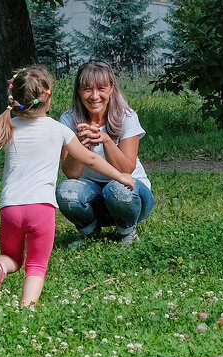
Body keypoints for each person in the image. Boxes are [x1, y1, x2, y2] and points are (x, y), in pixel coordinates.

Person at [0, 65, 136, 307]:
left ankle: (0, 267)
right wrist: (120, 176)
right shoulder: (59, 129)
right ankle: (26, 309)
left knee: (12, 258)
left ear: (15, 99)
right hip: (41, 208)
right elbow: (91, 158)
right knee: (36, 266)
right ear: (48, 96)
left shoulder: (5, 126)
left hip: (10, 208)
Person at [55, 61, 154, 246]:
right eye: (87, 89)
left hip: (132, 197)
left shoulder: (127, 116)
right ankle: (89, 232)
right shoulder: (68, 119)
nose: (94, 96)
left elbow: (126, 169)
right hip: (93, 195)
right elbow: (71, 174)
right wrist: (81, 145)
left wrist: (106, 140)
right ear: (78, 91)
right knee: (66, 191)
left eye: (101, 88)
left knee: (116, 189)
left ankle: (127, 231)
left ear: (111, 89)